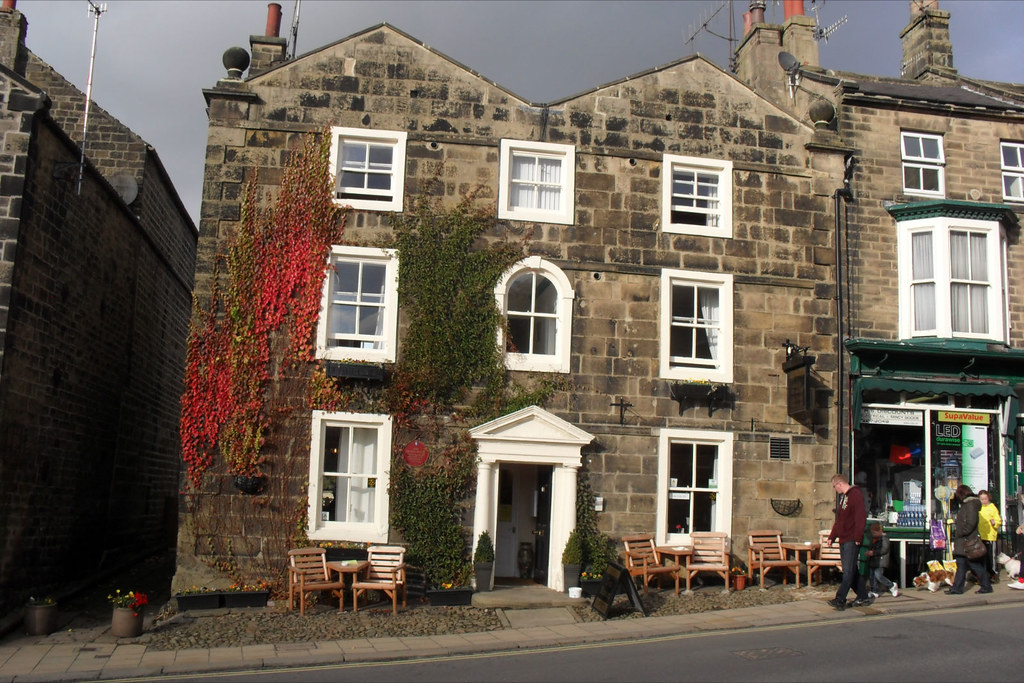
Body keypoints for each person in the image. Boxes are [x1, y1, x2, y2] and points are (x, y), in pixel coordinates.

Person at [826, 473, 871, 610]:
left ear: (839, 484)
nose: (835, 489)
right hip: (844, 539)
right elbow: (839, 520)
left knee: (848, 571)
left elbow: (860, 517)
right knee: (852, 571)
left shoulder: (855, 494)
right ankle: (863, 596)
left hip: (852, 539)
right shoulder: (844, 498)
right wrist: (832, 537)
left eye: (834, 486)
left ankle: (840, 598)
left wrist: (858, 537)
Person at [947, 484, 992, 594]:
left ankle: (986, 586)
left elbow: (971, 523)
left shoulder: (970, 504)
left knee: (975, 565)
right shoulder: (966, 504)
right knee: (961, 565)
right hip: (964, 541)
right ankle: (957, 588)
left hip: (967, 541)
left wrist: (960, 533)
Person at [865, 522, 898, 598]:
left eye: (874, 533)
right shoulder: (873, 539)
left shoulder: (884, 538)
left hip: (881, 561)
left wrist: (873, 552)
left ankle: (891, 585)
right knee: (872, 576)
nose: (873, 534)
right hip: (873, 560)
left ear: (880, 531)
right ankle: (874, 590)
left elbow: (884, 549)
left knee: (878, 575)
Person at [977, 490, 1001, 579]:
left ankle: (992, 574)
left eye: (985, 499)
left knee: (990, 556)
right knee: (981, 556)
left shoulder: (992, 507)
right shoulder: (978, 508)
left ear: (988, 498)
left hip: (990, 535)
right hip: (980, 535)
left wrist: (995, 523)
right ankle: (982, 574)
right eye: (982, 499)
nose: (984, 501)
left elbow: (998, 521)